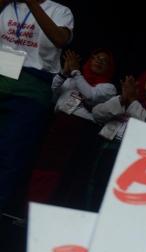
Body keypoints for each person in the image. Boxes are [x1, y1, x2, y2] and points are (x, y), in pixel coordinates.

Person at [0, 0, 73, 212]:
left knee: (10, 154)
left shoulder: (60, 11)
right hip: (3, 75)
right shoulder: (6, 6)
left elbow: (60, 39)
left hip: (30, 88)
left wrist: (32, 3)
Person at [26, 48, 116, 207]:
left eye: (104, 61)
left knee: (68, 173)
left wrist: (75, 72)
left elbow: (90, 95)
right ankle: (32, 207)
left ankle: (54, 210)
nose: (99, 61)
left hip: (82, 130)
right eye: (96, 57)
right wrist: (62, 74)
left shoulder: (108, 87)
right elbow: (52, 94)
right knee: (44, 166)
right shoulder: (72, 78)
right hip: (59, 123)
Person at [86, 67, 146, 209]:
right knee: (93, 189)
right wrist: (122, 100)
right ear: (145, 77)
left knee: (113, 196)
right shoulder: (124, 96)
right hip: (106, 145)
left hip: (132, 156)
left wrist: (132, 102)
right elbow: (97, 114)